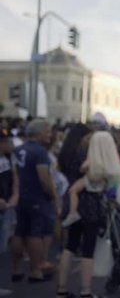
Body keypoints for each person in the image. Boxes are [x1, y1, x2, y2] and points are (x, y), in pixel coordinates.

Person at [57, 131, 120, 298]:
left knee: (70, 245)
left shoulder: (78, 154)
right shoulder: (104, 162)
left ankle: (61, 289)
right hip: (92, 206)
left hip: (76, 204)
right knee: (88, 249)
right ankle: (86, 291)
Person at [10, 119, 57, 283]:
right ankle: (36, 270)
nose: (50, 136)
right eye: (48, 132)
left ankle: (16, 269)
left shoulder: (18, 150)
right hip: (37, 197)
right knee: (35, 234)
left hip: (22, 195)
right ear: (39, 133)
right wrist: (52, 195)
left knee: (19, 232)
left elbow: (15, 175)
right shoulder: (40, 152)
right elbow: (44, 178)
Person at [0, 129, 18, 296]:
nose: (11, 145)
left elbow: (13, 178)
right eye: (7, 142)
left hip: (6, 206)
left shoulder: (7, 158)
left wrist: (15, 194)